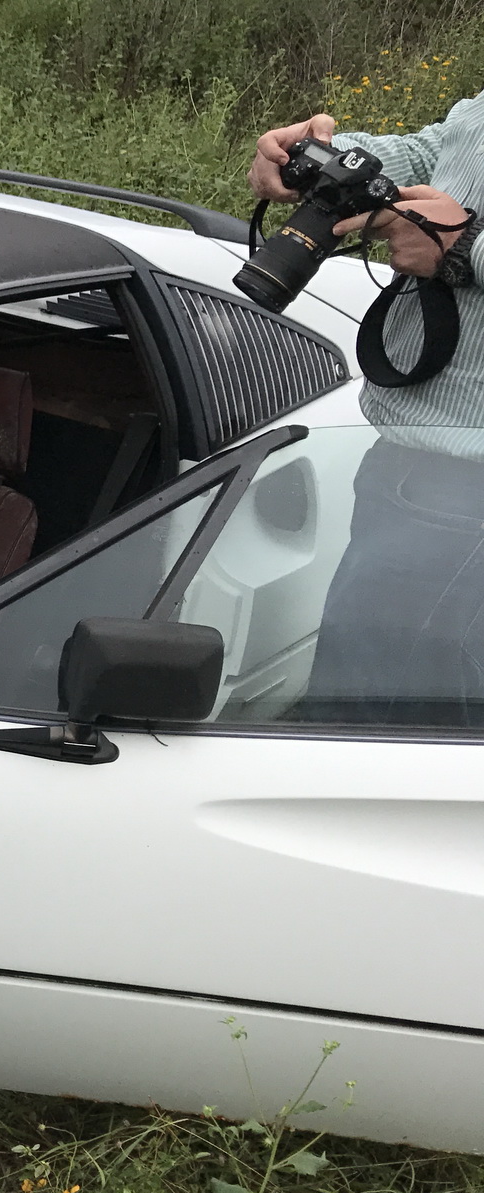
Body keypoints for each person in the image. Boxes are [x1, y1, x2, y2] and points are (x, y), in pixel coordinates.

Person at [251, 92, 484, 725]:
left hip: (465, 493)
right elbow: (447, 150)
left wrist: (464, 246)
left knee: (371, 727)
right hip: (417, 464)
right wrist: (326, 161)